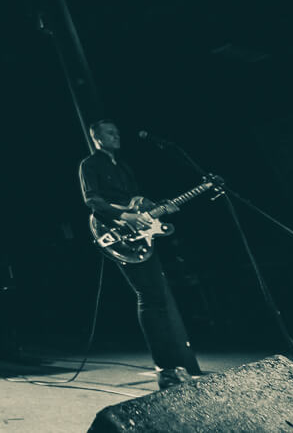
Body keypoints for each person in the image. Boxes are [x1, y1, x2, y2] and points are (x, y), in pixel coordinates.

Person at [78, 119, 203, 389]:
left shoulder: (124, 166)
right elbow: (92, 200)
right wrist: (125, 217)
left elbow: (137, 202)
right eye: (110, 132)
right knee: (148, 295)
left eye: (117, 131)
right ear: (97, 138)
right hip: (116, 233)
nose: (116, 135)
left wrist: (159, 208)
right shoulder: (90, 164)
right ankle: (165, 369)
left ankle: (172, 366)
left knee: (156, 297)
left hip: (141, 237)